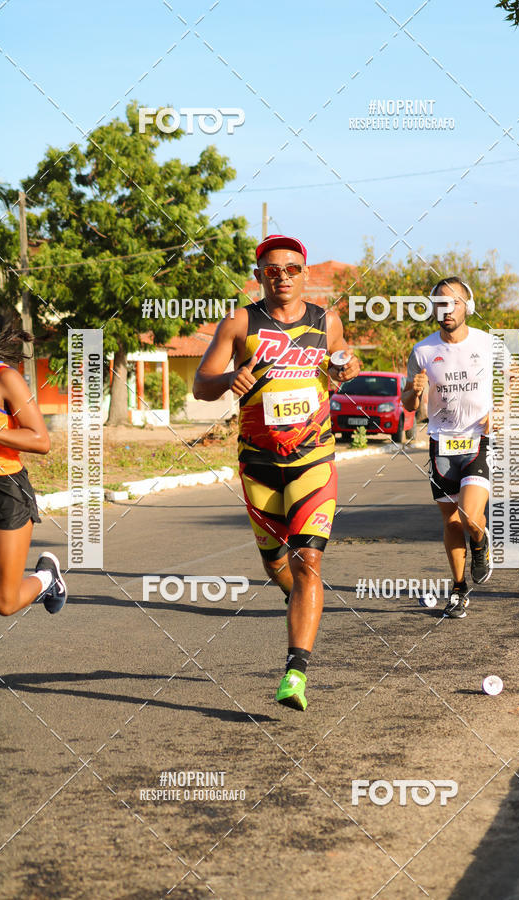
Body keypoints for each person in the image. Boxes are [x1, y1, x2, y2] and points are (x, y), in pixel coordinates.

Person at [193, 234, 359, 709]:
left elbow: (342, 359)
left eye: (291, 268)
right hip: (258, 462)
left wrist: (344, 367)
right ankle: (302, 602)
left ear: (304, 273)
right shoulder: (239, 322)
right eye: (272, 269)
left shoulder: (325, 320)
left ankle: (296, 671)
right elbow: (204, 383)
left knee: (309, 562)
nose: (282, 276)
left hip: (312, 457)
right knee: (274, 563)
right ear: (259, 273)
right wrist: (229, 379)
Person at [402, 277, 493, 619]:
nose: (445, 310)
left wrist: (499, 409)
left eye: (452, 303)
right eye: (438, 304)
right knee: (452, 521)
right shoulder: (423, 351)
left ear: (467, 306)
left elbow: (510, 380)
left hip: (477, 441)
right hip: (441, 444)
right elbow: (408, 404)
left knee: (470, 516)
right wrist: (414, 390)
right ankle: (458, 588)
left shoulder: (487, 344)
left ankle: (481, 545)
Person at [0, 310, 68, 617]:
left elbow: (41, 440)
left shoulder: (6, 378)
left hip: (6, 490)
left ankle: (47, 578)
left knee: (5, 602)